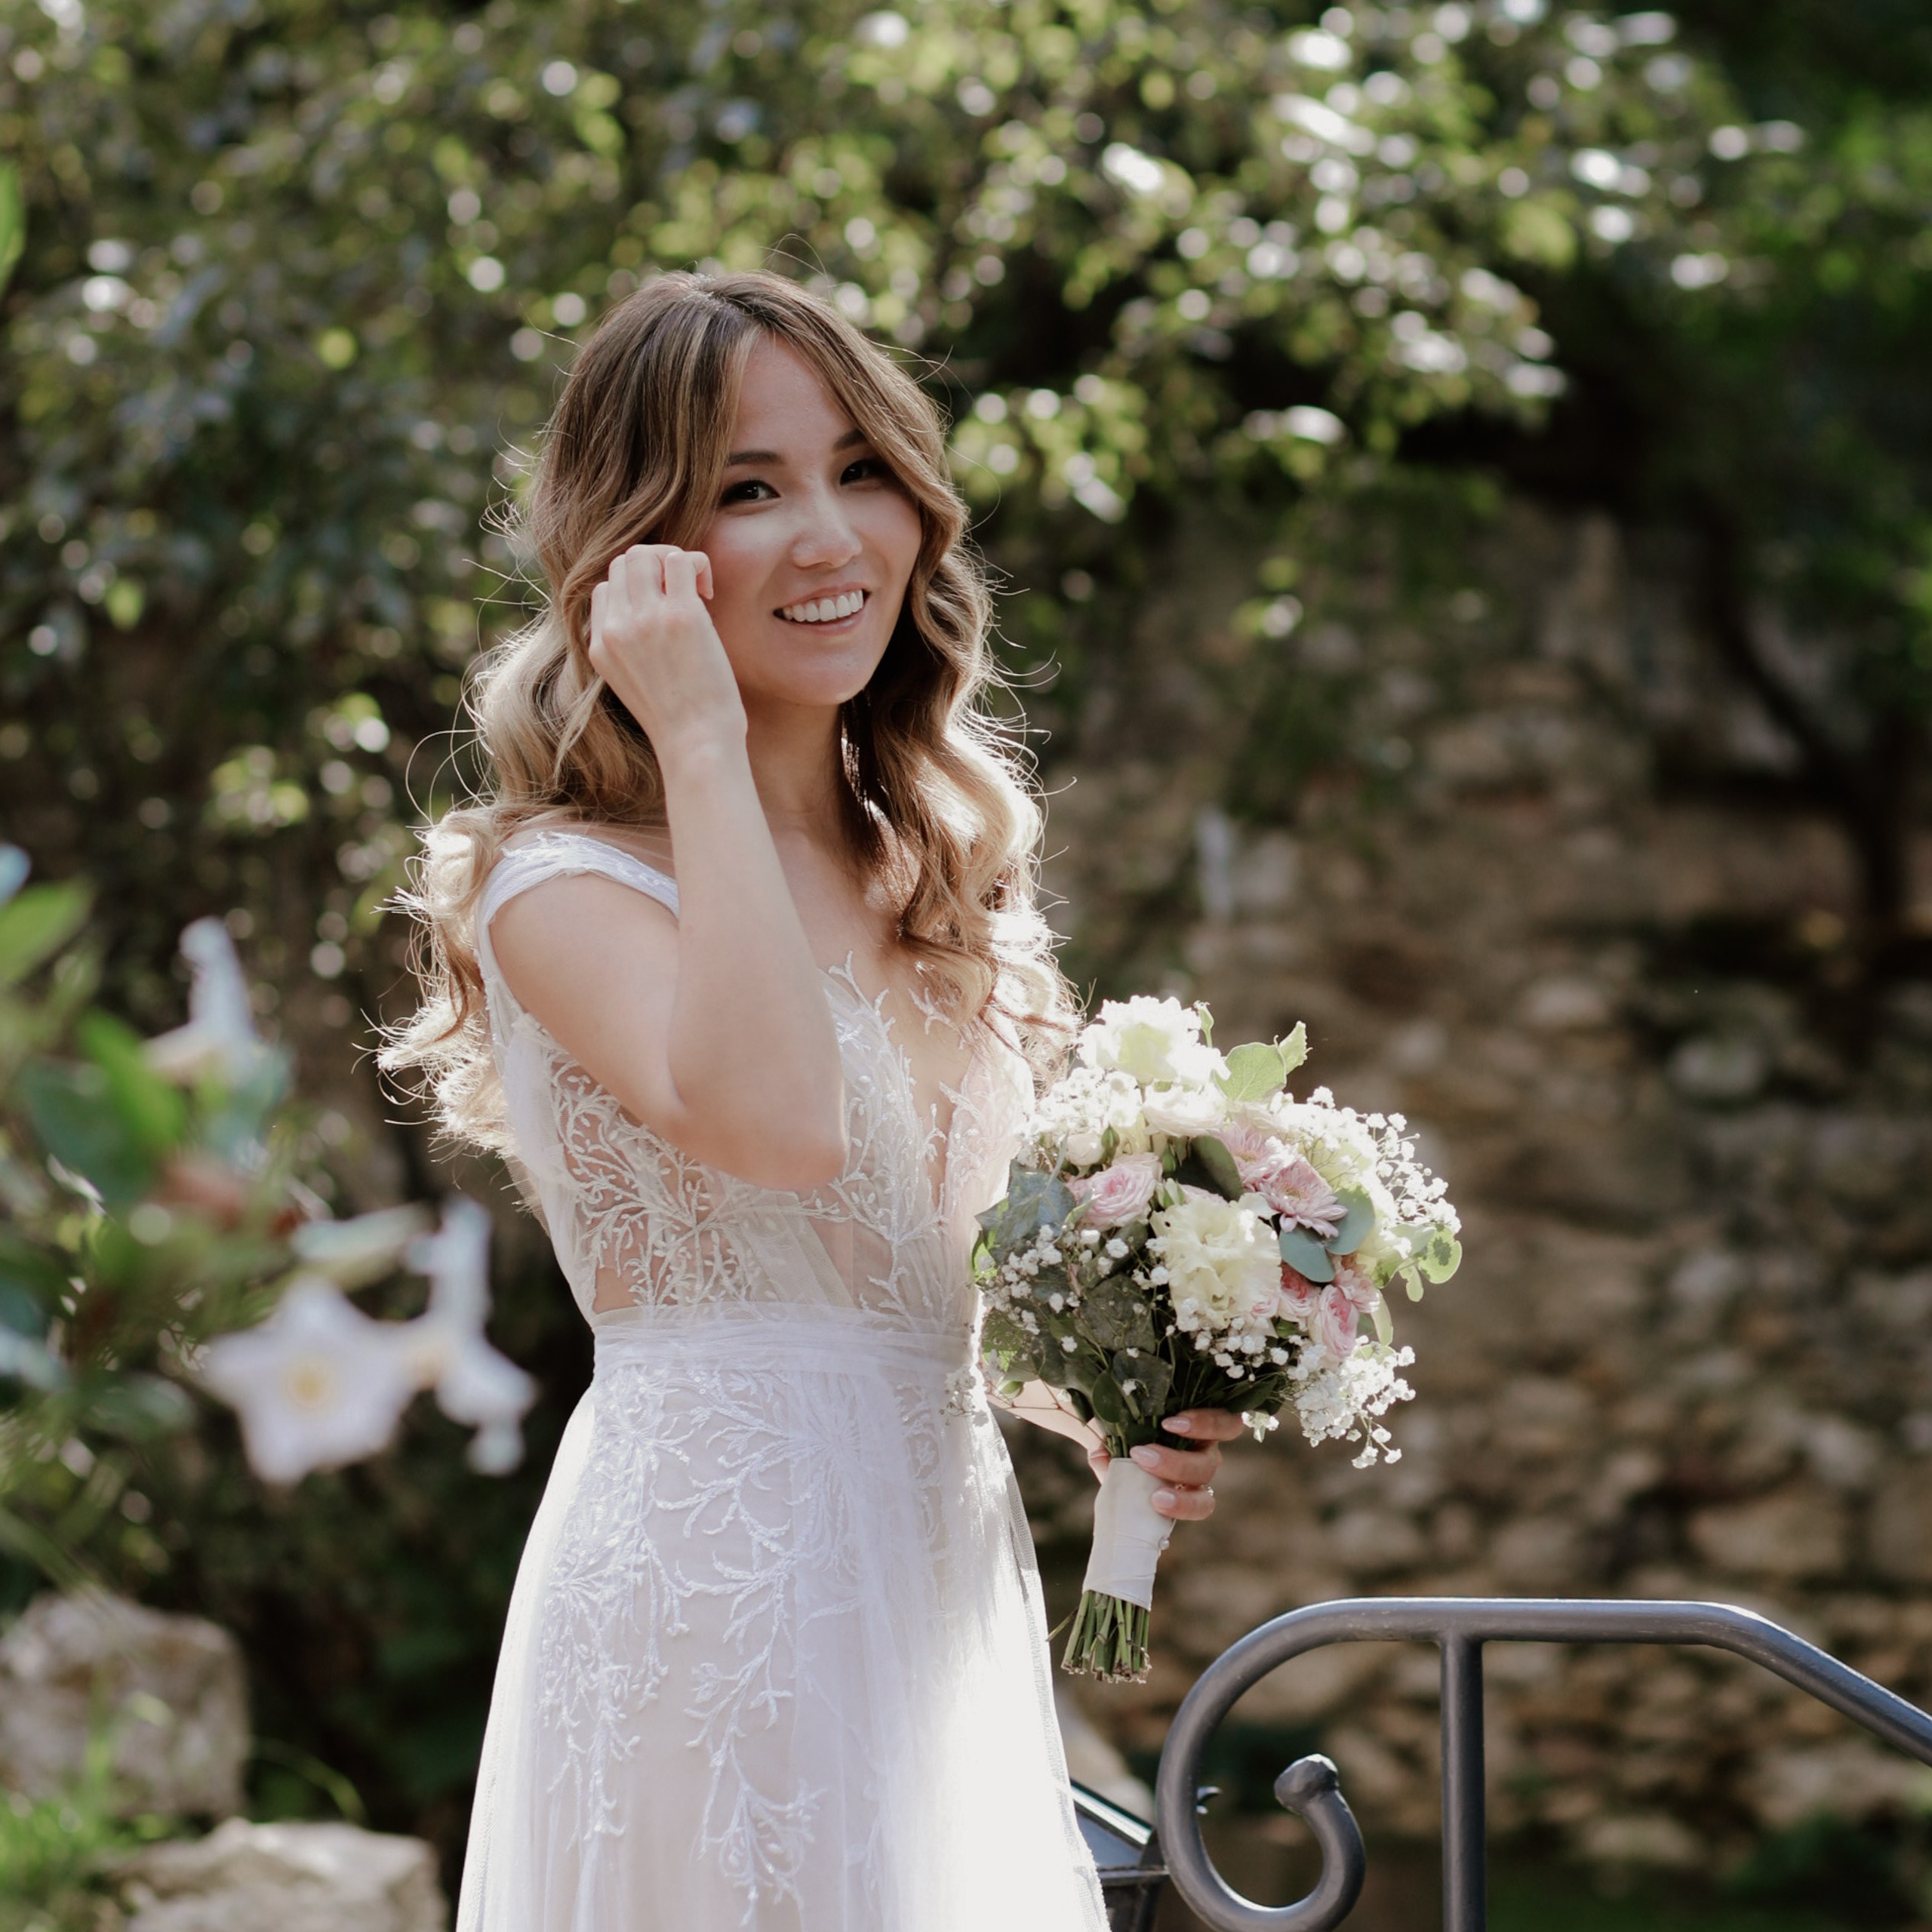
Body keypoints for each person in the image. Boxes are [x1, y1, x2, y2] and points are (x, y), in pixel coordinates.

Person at [385, 269, 1242, 1932]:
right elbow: (780, 1130)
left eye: (861, 470)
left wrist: (1106, 1396)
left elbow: (919, 1283)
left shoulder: (941, 874)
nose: (832, 536)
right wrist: (699, 738)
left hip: (932, 1601)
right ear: (637, 552)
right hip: (712, 1598)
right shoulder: (556, 886)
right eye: (750, 489)